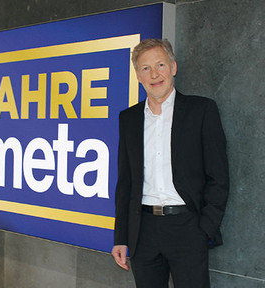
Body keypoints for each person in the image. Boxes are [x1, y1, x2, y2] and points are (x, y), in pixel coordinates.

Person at [111, 38, 229, 288]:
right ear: (138, 75)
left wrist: (204, 229)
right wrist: (121, 237)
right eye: (146, 68)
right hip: (143, 231)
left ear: (173, 67)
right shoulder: (128, 119)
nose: (154, 74)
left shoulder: (202, 110)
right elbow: (126, 183)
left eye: (161, 65)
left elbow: (218, 177)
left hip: (187, 227)